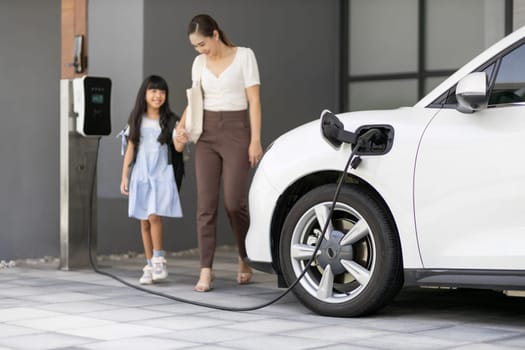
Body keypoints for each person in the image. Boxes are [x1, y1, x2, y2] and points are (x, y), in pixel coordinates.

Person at [176, 14, 263, 292]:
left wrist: (255, 140)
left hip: (237, 131)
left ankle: (244, 255)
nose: (200, 50)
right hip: (207, 134)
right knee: (205, 206)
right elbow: (195, 99)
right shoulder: (199, 63)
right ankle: (206, 270)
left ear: (215, 34)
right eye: (195, 47)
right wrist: (181, 126)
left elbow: (254, 100)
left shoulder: (245, 56)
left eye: (202, 44)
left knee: (234, 202)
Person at [120, 75, 188, 285]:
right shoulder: (136, 118)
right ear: (145, 93)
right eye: (153, 91)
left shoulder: (169, 120)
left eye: (161, 92)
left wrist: (181, 138)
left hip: (160, 173)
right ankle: (149, 264)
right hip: (141, 173)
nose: (157, 96)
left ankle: (159, 258)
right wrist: (124, 176)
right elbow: (131, 147)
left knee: (154, 216)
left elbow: (177, 148)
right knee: (144, 220)